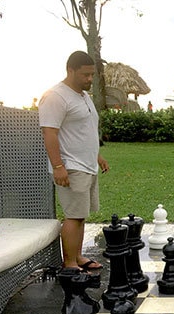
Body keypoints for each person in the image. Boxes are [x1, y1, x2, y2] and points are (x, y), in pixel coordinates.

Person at [39, 51, 110, 271]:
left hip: (86, 164)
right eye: (85, 75)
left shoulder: (82, 96)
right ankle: (69, 263)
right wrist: (59, 166)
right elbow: (49, 133)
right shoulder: (55, 97)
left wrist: (97, 156)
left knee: (81, 215)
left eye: (92, 75)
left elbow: (82, 130)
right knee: (73, 215)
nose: (89, 79)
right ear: (70, 70)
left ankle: (77, 257)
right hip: (70, 166)